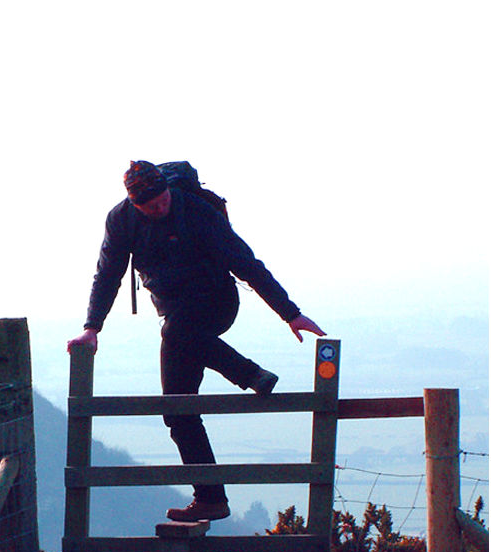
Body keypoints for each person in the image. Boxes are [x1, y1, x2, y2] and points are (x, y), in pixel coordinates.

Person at [67, 160, 325, 522]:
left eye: (162, 199)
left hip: (217, 303)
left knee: (177, 331)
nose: (160, 208)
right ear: (135, 204)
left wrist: (290, 313)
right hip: (175, 315)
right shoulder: (121, 220)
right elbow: (107, 273)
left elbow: (246, 263)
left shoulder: (198, 211)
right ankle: (210, 499)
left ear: (168, 190)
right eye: (150, 205)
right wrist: (92, 326)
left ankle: (250, 374)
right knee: (176, 410)